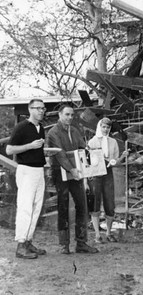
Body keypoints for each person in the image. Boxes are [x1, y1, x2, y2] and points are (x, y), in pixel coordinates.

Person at [46, 105, 98, 254]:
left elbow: (83, 148)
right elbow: (60, 153)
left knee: (82, 205)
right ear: (59, 114)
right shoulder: (53, 132)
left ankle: (81, 243)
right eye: (67, 114)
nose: (70, 117)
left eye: (72, 115)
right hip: (60, 172)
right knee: (63, 206)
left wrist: (92, 163)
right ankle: (64, 244)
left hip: (76, 173)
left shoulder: (75, 131)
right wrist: (72, 169)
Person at [6, 99, 48, 259]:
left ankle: (28, 241)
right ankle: (20, 245)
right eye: (38, 108)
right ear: (30, 109)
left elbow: (38, 150)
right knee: (25, 207)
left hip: (39, 170)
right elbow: (9, 150)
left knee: (37, 207)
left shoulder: (41, 128)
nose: (41, 111)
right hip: (26, 171)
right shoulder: (22, 127)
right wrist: (30, 146)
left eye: (43, 109)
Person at [87, 117, 127, 243]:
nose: (105, 129)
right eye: (103, 127)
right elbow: (88, 161)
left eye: (108, 127)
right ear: (99, 127)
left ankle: (109, 233)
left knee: (109, 202)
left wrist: (122, 157)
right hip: (95, 175)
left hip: (108, 174)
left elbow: (114, 161)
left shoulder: (113, 142)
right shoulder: (92, 142)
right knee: (95, 203)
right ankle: (97, 235)